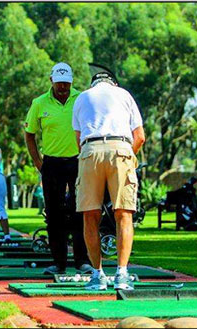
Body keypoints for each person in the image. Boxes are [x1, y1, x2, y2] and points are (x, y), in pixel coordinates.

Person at [72, 71, 145, 291]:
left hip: (90, 150)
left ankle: (97, 275)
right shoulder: (124, 94)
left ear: (94, 83)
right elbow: (140, 136)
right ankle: (122, 274)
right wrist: (128, 157)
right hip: (121, 148)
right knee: (123, 213)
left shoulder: (82, 97)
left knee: (90, 214)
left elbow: (78, 139)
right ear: (113, 83)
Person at [25, 62, 91, 275]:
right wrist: (38, 163)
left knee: (80, 210)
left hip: (78, 161)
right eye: (60, 83)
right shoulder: (39, 103)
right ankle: (59, 262)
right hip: (51, 163)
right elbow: (30, 134)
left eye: (67, 84)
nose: (63, 88)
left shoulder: (81, 99)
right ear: (51, 81)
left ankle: (82, 260)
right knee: (54, 214)